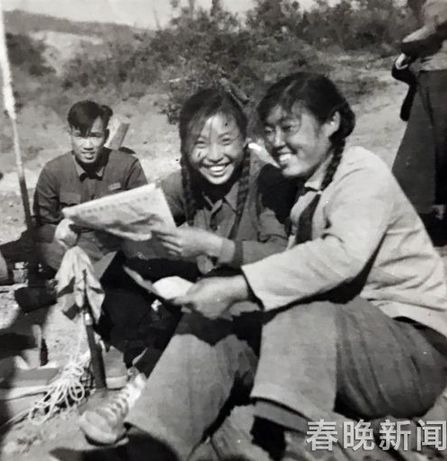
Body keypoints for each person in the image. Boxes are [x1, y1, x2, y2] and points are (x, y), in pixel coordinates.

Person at [81, 72, 447, 460]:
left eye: (288, 128)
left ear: (332, 122)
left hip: (408, 354)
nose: (276, 142)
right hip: (341, 347)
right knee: (216, 325)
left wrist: (233, 283)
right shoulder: (306, 192)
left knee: (288, 302)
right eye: (270, 131)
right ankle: (150, 446)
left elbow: (337, 258)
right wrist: (80, 233)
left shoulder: (360, 171)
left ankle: (291, 442)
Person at [78, 85, 295, 446]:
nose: (214, 156)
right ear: (184, 147)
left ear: (245, 141)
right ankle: (149, 356)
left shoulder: (266, 182)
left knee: (209, 297)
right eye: (200, 144)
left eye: (226, 141)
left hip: (257, 314)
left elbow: (282, 257)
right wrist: (78, 230)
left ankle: (146, 387)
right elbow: (132, 216)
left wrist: (212, 246)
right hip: (208, 299)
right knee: (114, 270)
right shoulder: (188, 181)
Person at [33, 100, 148, 270]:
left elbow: (147, 215)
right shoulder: (53, 171)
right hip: (76, 249)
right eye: (80, 136)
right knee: (49, 251)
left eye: (95, 136)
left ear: (106, 136)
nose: (88, 146)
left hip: (119, 247)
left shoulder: (127, 166)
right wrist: (56, 231)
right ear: (69, 134)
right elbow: (40, 225)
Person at [392, 0, 447, 239]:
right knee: (428, 148)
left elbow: (414, 44)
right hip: (430, 77)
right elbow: (400, 64)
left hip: (436, 78)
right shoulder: (431, 6)